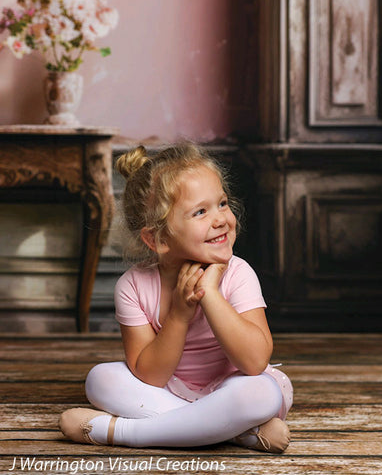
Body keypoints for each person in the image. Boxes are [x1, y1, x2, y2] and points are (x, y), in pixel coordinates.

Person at [59, 142, 293, 452]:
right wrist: (179, 315)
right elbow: (149, 376)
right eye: (200, 211)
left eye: (222, 203)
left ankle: (122, 432)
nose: (221, 218)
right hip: (168, 391)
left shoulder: (238, 273)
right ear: (157, 239)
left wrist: (210, 295)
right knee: (100, 380)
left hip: (234, 387)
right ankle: (236, 432)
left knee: (259, 393)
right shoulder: (133, 286)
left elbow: (254, 362)